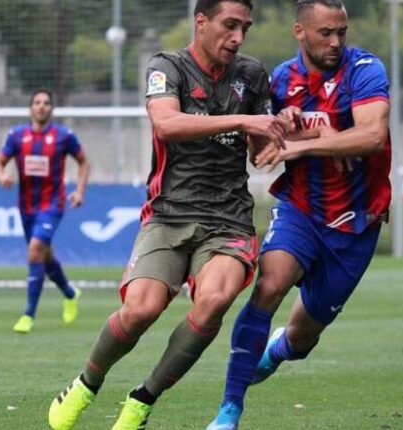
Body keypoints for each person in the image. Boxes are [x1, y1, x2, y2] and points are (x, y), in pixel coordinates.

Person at [47, 1, 292, 429]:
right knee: (141, 309)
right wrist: (244, 120)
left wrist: (277, 135)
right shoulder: (167, 65)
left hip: (228, 220)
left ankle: (143, 399)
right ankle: (87, 382)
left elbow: (260, 153)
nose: (238, 38)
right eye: (229, 26)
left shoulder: (252, 75)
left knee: (214, 300)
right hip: (169, 214)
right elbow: (166, 124)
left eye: (245, 28)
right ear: (201, 22)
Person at [207, 1, 394, 428]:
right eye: (325, 33)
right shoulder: (281, 82)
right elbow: (262, 153)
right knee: (269, 285)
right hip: (301, 209)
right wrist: (281, 125)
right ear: (299, 32)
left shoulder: (364, 69)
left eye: (341, 32)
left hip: (355, 223)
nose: (335, 42)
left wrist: (305, 143)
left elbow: (371, 134)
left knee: (303, 338)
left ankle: (274, 352)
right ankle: (229, 409)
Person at [0, 89, 91, 334]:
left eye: (47, 103)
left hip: (52, 204)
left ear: (51, 109)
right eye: (37, 102)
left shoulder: (63, 136)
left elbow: (84, 162)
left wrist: (79, 191)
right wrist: (1, 175)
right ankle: (70, 293)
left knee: (35, 250)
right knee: (43, 256)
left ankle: (28, 315)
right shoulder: (16, 135)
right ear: (30, 108)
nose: (42, 106)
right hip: (26, 206)